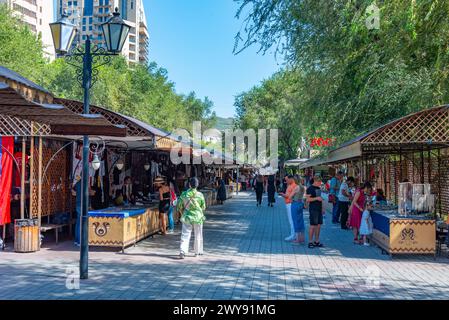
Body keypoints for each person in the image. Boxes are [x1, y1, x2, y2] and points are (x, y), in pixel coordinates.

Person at [177, 177, 206, 259]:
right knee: (198, 234)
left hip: (187, 216)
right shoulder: (200, 195)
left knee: (185, 234)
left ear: (189, 185)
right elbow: (203, 207)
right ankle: (197, 252)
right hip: (198, 217)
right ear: (197, 185)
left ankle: (182, 251)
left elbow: (179, 206)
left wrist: (183, 211)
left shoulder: (184, 194)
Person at [306, 175, 324, 248]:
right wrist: (316, 198)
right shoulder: (310, 188)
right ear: (316, 181)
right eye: (320, 182)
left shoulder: (319, 188)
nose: (321, 183)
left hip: (319, 209)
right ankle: (310, 242)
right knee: (313, 226)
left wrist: (323, 208)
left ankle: (316, 241)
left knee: (319, 225)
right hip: (313, 209)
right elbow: (308, 199)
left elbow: (320, 199)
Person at [279, 175, 297, 241]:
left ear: (291, 179)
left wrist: (283, 195)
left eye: (287, 180)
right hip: (289, 203)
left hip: (290, 204)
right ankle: (294, 235)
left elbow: (290, 196)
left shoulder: (293, 186)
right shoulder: (290, 185)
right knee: (291, 220)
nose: (286, 181)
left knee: (291, 220)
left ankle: (293, 235)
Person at [290, 178, 305, 244]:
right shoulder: (303, 187)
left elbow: (290, 196)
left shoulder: (296, 187)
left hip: (295, 204)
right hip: (300, 203)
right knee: (301, 221)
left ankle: (297, 239)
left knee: (295, 221)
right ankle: (302, 238)